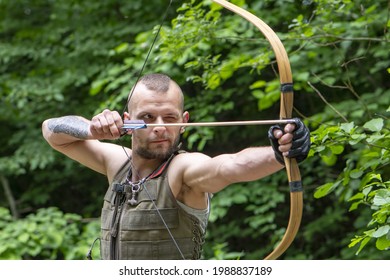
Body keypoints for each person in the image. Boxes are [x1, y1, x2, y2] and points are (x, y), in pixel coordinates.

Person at [41, 73, 310, 260]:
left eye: (169, 117)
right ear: (127, 120)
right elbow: (52, 132)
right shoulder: (117, 163)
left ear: (184, 121)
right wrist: (91, 129)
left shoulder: (183, 170)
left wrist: (279, 152)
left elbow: (229, 166)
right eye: (147, 117)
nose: (159, 126)